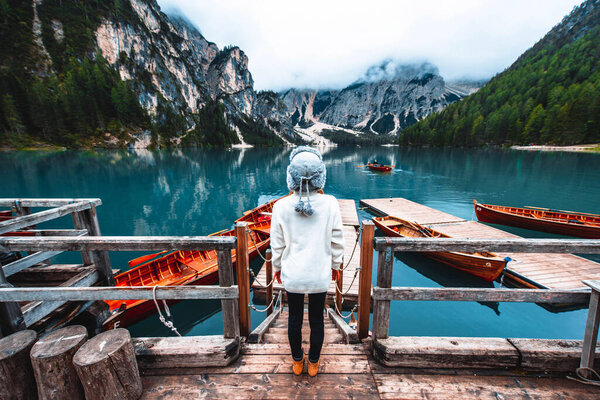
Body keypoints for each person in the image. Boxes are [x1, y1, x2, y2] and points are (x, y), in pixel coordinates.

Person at [270, 146, 345, 378]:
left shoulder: (280, 206)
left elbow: (277, 245)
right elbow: (337, 241)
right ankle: (313, 363)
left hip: (293, 274)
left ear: (290, 176)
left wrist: (277, 268)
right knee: (316, 319)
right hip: (319, 275)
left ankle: (296, 361)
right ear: (320, 176)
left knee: (294, 318)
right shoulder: (331, 203)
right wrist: (336, 266)